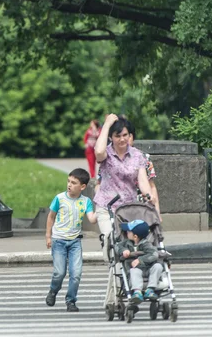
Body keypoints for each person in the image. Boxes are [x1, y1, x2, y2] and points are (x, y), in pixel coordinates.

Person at [93, 114, 153, 263]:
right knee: (111, 240)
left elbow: (143, 181)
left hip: (128, 207)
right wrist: (106, 124)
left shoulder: (137, 155)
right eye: (117, 136)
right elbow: (98, 152)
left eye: (125, 135)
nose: (122, 139)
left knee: (127, 245)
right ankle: (113, 271)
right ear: (111, 137)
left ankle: (124, 281)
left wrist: (149, 196)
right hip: (107, 206)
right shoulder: (106, 154)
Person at [45, 168, 96, 312]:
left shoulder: (86, 202)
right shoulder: (59, 198)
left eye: (74, 183)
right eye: (68, 181)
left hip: (75, 242)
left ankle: (71, 301)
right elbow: (51, 217)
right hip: (58, 240)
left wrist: (102, 210)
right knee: (59, 273)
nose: (69, 185)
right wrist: (48, 236)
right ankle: (53, 291)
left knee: (76, 274)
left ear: (83, 187)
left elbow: (92, 219)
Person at [114, 219, 163, 304]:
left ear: (135, 236)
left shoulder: (147, 244)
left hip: (148, 269)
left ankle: (150, 289)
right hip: (134, 270)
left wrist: (140, 260)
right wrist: (123, 250)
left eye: (129, 231)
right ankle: (137, 292)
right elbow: (117, 246)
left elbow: (154, 254)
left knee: (158, 266)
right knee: (134, 271)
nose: (126, 233)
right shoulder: (126, 243)